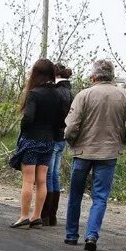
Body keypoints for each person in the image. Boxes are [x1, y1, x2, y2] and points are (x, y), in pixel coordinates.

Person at [63, 59, 126, 251]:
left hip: (83, 152)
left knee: (75, 194)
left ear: (93, 76)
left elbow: (71, 127)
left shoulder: (84, 95)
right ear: (113, 76)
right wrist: (124, 138)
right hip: (109, 153)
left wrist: (72, 141)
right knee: (100, 197)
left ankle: (71, 235)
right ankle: (91, 235)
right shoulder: (125, 96)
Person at [8, 58, 66, 229]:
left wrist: (24, 130)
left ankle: (24, 216)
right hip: (49, 141)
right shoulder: (58, 94)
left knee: (28, 181)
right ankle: (37, 216)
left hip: (32, 139)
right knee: (42, 181)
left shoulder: (34, 93)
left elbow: (28, 118)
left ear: (36, 73)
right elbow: (61, 121)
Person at [41, 64, 74, 226]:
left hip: (52, 136)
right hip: (63, 137)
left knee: (47, 174)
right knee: (55, 174)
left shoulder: (56, 92)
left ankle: (46, 213)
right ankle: (51, 214)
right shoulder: (70, 92)